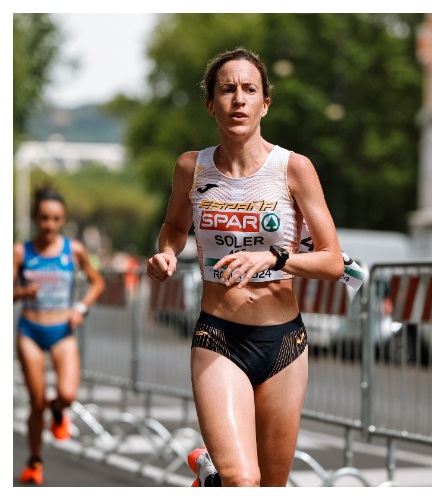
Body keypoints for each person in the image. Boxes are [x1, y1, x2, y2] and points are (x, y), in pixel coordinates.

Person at [146, 48, 345, 487]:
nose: (238, 99)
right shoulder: (191, 168)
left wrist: (275, 257)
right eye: (227, 89)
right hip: (219, 337)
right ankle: (224, 476)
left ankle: (210, 477)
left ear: (265, 103)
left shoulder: (294, 168)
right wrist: (168, 253)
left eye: (249, 90)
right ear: (210, 104)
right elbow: (174, 226)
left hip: (284, 343)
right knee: (243, 480)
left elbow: (333, 261)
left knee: (270, 487)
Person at [14, 187, 105, 485]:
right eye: (43, 218)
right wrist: (21, 292)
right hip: (30, 330)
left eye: (55, 219)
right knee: (36, 402)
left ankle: (58, 411)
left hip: (62, 331)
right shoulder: (20, 252)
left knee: (67, 394)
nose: (49, 225)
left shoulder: (73, 249)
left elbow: (97, 282)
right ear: (34, 218)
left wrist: (80, 307)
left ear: (62, 220)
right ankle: (35, 461)